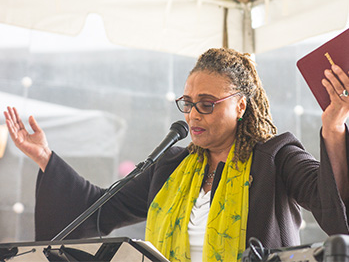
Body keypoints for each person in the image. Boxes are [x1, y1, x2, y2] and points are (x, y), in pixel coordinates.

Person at [4, 48, 349, 262]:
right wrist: (45, 157)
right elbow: (100, 208)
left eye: (206, 104)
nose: (193, 114)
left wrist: (333, 130)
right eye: (188, 103)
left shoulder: (276, 157)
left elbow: (331, 202)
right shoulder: (170, 167)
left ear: (241, 105)